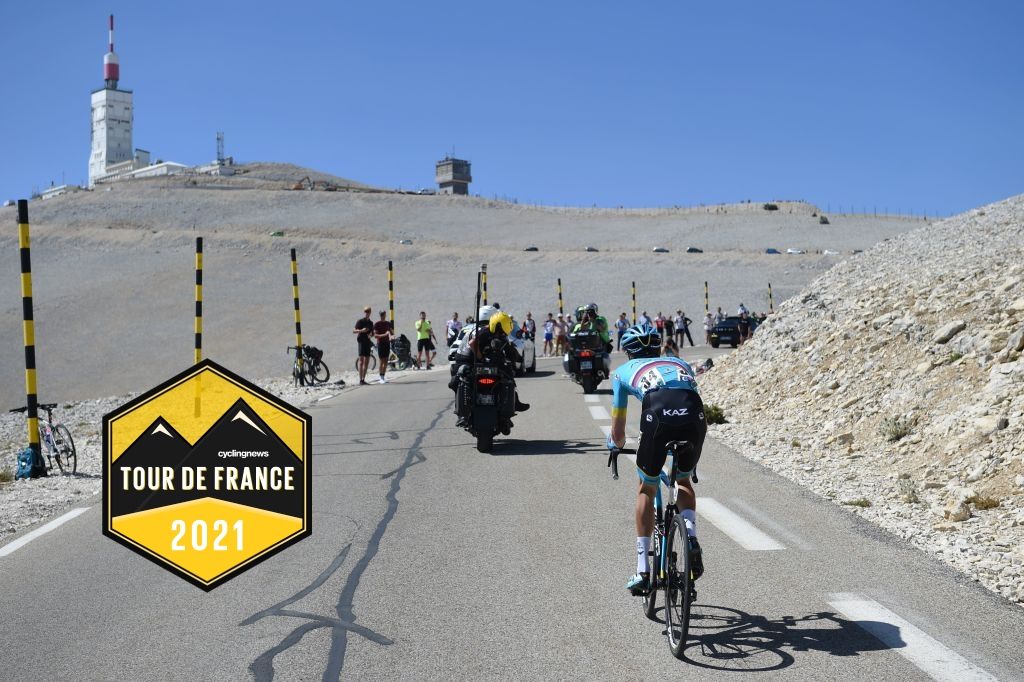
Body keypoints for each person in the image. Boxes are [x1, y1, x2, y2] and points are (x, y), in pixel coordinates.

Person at [607, 322, 706, 596]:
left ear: (628, 352)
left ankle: (642, 570)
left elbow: (618, 432)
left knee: (647, 488)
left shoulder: (622, 372)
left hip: (658, 416)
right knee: (683, 480)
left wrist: (614, 445)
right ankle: (691, 538)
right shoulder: (678, 362)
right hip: (694, 415)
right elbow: (690, 395)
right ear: (657, 347)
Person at [450, 307, 530, 428]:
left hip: (480, 361)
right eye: (501, 329)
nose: (502, 332)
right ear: (495, 325)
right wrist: (481, 358)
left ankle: (512, 404)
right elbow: (472, 344)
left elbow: (509, 350)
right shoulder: (483, 331)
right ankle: (462, 415)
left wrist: (517, 358)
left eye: (503, 330)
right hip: (468, 360)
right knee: (459, 380)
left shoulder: (500, 336)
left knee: (507, 374)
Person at [353, 306, 374, 385]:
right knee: (361, 361)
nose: (367, 313)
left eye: (368, 311)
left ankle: (363, 379)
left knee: (367, 361)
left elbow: (372, 333)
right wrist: (361, 330)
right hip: (361, 341)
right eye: (365, 311)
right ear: (364, 312)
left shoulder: (371, 323)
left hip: (367, 342)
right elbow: (354, 330)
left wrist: (371, 335)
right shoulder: (360, 321)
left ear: (370, 313)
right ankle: (360, 380)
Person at [373, 311, 393, 384]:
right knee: (381, 361)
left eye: (383, 314)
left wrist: (391, 336)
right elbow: (375, 336)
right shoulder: (377, 324)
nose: (382, 315)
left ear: (385, 315)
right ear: (380, 315)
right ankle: (380, 378)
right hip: (380, 344)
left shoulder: (388, 323)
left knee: (386, 361)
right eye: (381, 314)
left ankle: (383, 376)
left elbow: (391, 332)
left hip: (387, 343)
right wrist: (385, 334)